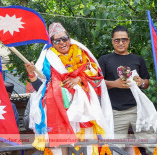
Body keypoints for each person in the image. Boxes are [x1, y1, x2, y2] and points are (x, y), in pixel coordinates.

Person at [25, 22, 114, 155]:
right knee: (61, 148)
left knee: (87, 146)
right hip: (59, 111)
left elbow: (97, 79)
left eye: (64, 39)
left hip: (85, 112)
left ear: (69, 39)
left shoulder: (83, 54)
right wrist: (32, 74)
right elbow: (40, 88)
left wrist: (79, 79)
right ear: (52, 43)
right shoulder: (47, 59)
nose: (62, 43)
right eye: (57, 40)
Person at [98, 25, 157, 154]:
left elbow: (146, 82)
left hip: (138, 109)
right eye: (117, 40)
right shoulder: (104, 59)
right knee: (115, 150)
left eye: (124, 40)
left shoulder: (138, 59)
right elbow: (97, 82)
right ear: (112, 41)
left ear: (129, 40)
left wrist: (141, 82)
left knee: (152, 146)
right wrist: (115, 84)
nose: (121, 43)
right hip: (115, 111)